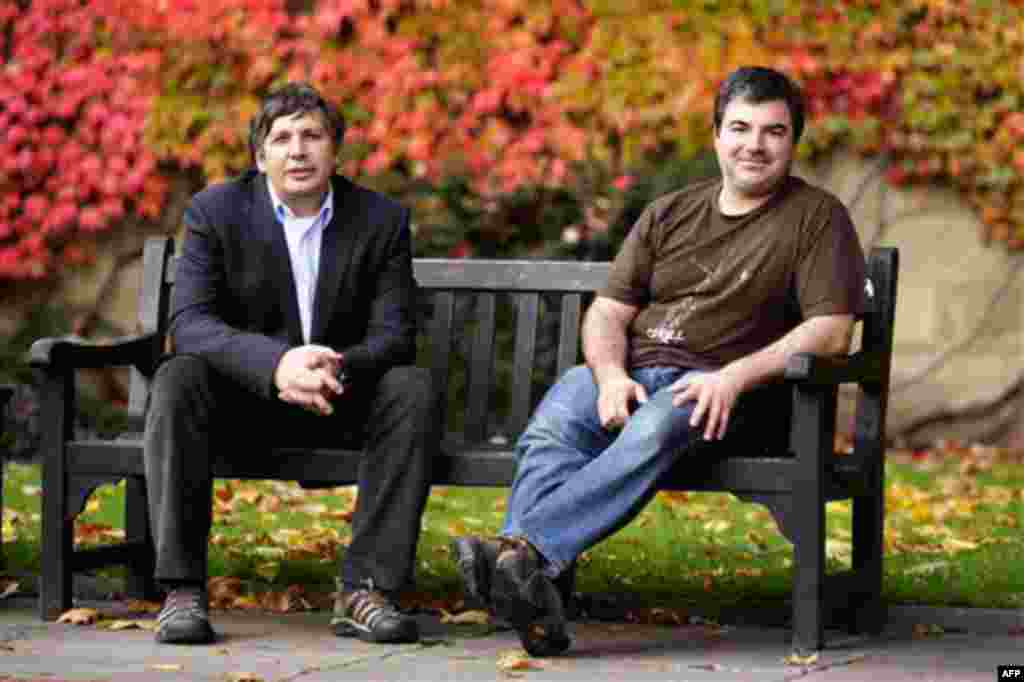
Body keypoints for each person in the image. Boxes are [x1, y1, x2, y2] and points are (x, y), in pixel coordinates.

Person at [450, 66, 866, 656]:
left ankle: (523, 555)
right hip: (639, 373)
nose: (755, 144)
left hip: (734, 393)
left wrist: (734, 377)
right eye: (740, 128)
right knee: (557, 423)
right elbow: (607, 313)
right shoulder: (671, 211)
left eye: (773, 131)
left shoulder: (815, 217)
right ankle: (531, 585)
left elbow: (831, 330)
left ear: (793, 140)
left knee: (656, 425)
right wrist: (611, 375)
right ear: (716, 135)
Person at [145, 82, 435, 645]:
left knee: (412, 389)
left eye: (312, 136)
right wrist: (277, 364)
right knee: (178, 376)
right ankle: (181, 589)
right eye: (281, 138)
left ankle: (366, 589)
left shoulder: (380, 219)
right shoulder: (215, 211)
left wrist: (331, 366)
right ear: (260, 157)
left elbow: (396, 334)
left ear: (334, 150)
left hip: (340, 395)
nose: (297, 151)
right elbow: (192, 323)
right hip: (245, 401)